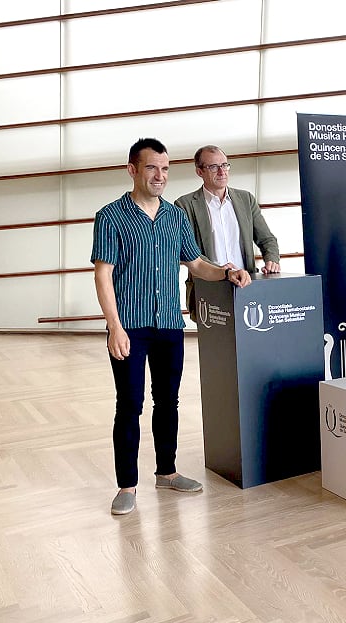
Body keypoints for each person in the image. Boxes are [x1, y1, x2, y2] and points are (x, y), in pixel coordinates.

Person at [91, 137, 251, 516]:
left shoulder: (175, 216)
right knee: (130, 405)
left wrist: (226, 271)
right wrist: (114, 326)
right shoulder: (110, 216)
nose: (160, 176)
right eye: (151, 168)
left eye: (164, 169)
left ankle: (167, 472)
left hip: (168, 325)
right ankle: (126, 485)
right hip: (129, 326)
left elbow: (196, 264)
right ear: (133, 169)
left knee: (168, 402)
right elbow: (103, 275)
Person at [174, 145, 280, 313]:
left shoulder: (246, 199)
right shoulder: (184, 205)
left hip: (246, 285)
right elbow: (188, 251)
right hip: (208, 289)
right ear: (199, 171)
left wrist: (272, 260)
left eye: (225, 165)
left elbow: (267, 239)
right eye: (214, 167)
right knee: (214, 339)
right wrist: (222, 272)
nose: (222, 171)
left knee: (253, 334)